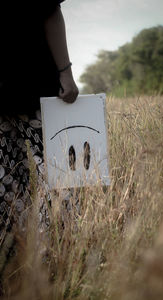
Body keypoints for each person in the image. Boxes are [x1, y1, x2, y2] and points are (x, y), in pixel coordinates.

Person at [0, 0, 78, 246]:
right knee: (7, 188)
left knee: (59, 177)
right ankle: (20, 259)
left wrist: (66, 72)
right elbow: (51, 12)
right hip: (34, 86)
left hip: (38, 89)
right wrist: (65, 73)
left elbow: (50, 10)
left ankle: (55, 253)